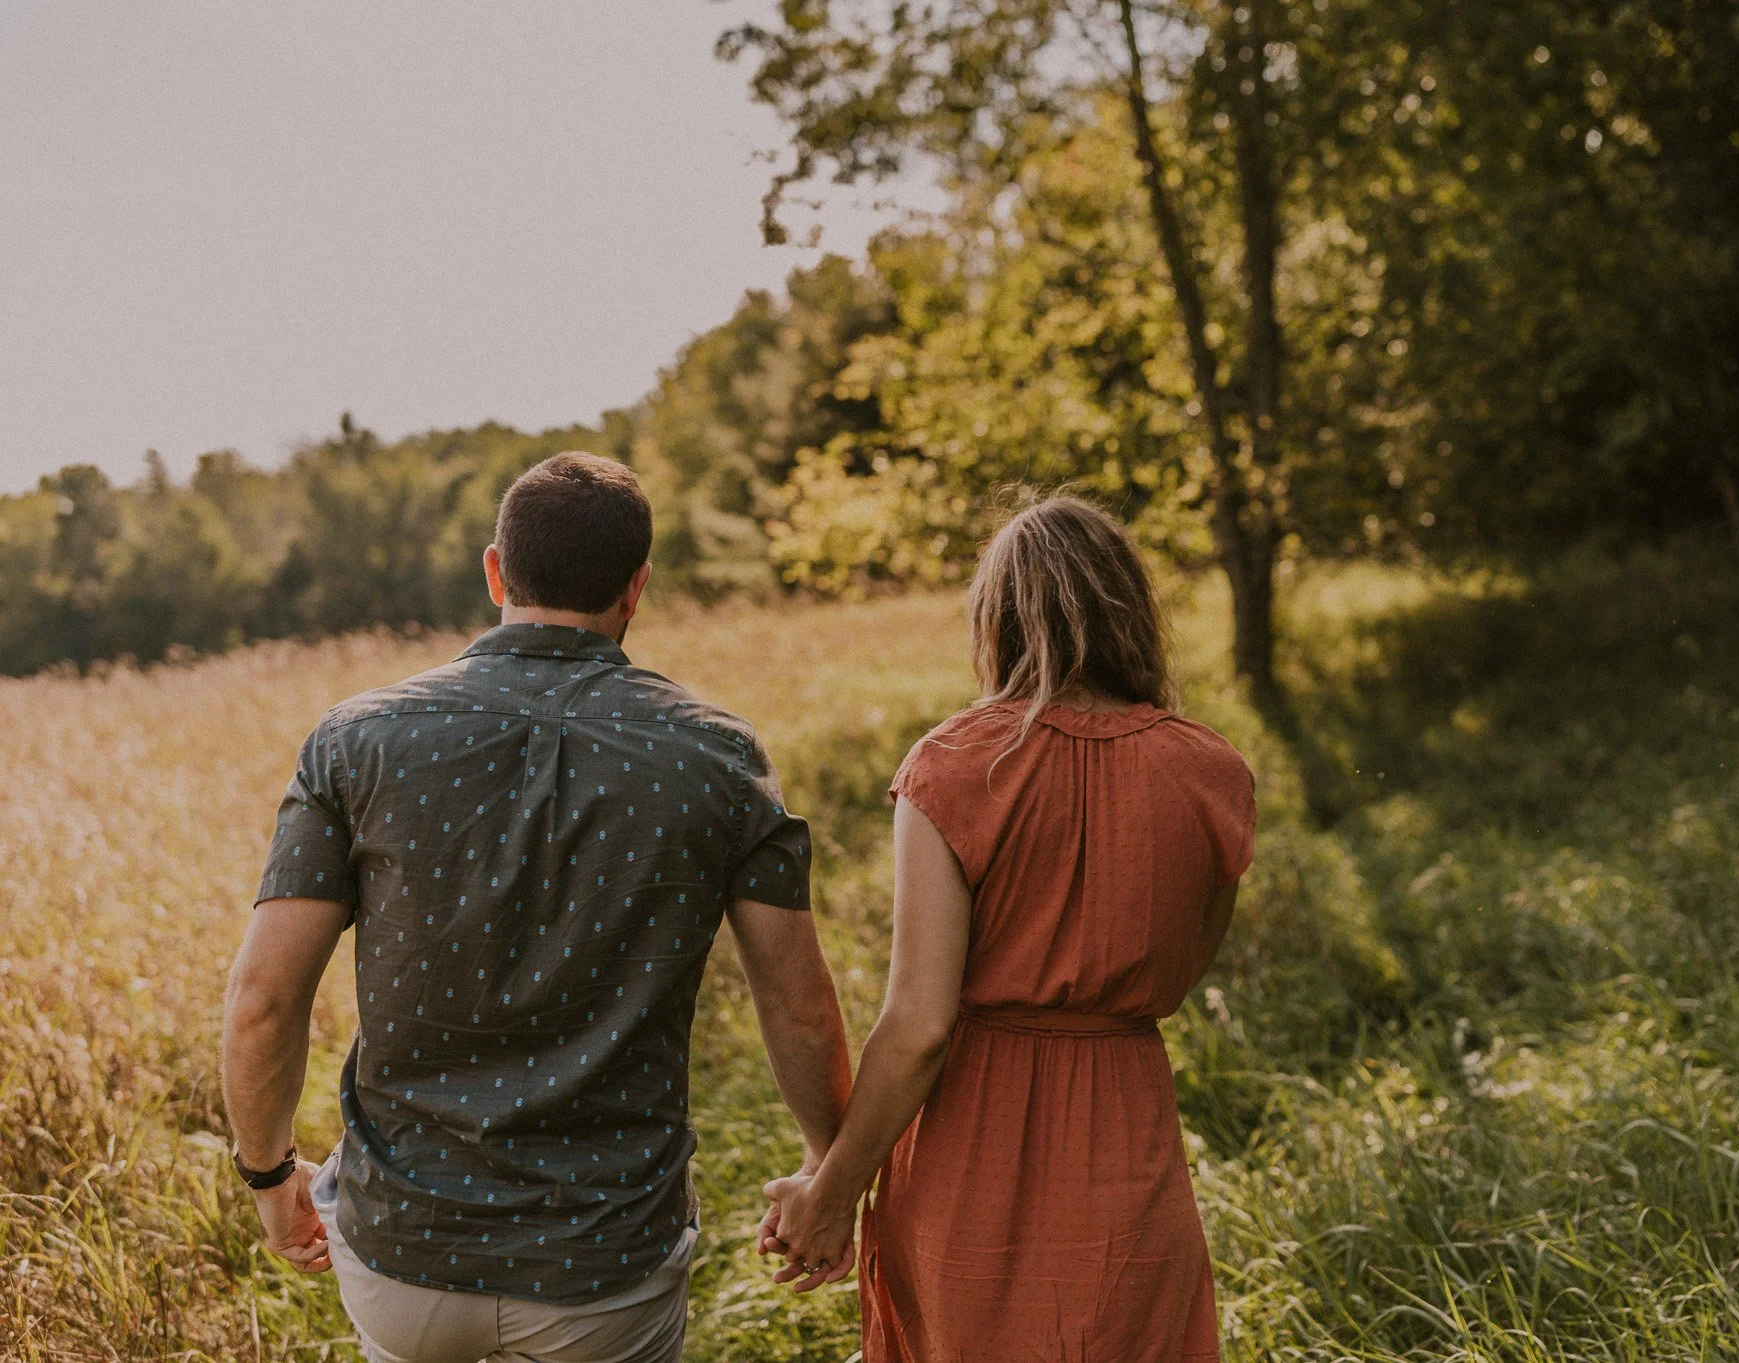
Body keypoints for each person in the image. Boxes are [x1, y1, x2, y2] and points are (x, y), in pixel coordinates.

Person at [220, 452, 853, 1363]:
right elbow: (796, 999)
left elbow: (262, 999)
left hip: (403, 1254)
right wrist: (829, 1174)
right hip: (607, 1270)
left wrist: (268, 1171)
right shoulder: (717, 758)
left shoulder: (355, 741)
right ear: (637, 588)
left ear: (494, 571)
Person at [761, 496, 1258, 1362]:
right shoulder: (1213, 771)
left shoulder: (956, 764)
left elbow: (918, 1024)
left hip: (970, 1160)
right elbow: (1173, 984)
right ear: (1129, 610)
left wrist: (833, 1189)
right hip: (1128, 1151)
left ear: (997, 619)